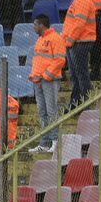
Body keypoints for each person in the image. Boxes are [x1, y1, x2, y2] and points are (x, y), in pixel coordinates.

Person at [29, 14, 66, 149]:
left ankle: (55, 142)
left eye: (35, 24)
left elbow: (60, 60)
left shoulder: (55, 38)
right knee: (42, 112)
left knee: (51, 111)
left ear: (41, 25)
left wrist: (46, 75)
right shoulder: (40, 40)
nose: (34, 27)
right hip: (38, 80)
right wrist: (35, 76)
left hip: (49, 80)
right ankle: (45, 143)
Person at [62, 0, 96, 109]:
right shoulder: (79, 1)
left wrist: (69, 41)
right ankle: (75, 102)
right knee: (75, 75)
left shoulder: (82, 1)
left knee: (81, 74)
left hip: (80, 42)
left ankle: (85, 103)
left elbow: (79, 24)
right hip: (75, 42)